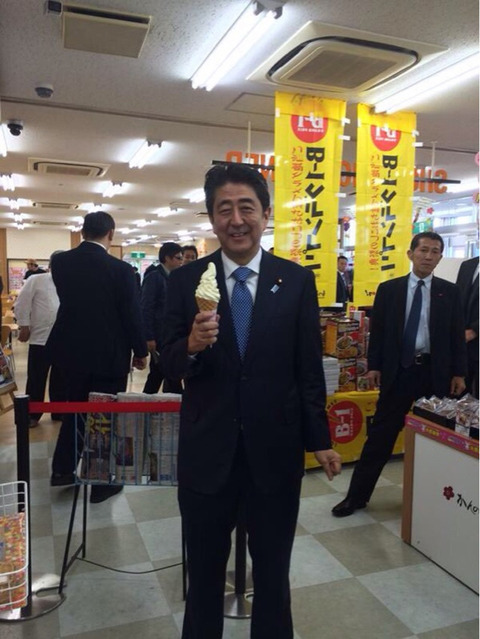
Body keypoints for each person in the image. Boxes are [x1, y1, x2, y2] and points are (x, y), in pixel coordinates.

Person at [161, 164, 341, 639]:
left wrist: (320, 439)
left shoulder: (294, 280)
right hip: (207, 453)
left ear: (266, 213)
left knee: (273, 575)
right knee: (203, 576)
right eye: (225, 209)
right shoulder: (186, 281)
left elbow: (307, 368)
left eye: (247, 208)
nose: (236, 220)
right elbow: (167, 362)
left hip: (275, 453)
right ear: (211, 218)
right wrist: (191, 346)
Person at [332, 231, 467, 518]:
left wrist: (459, 372)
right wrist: (374, 366)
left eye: (435, 252)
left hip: (435, 375)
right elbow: (378, 333)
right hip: (399, 373)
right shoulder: (389, 290)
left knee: (434, 439)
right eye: (423, 250)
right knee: (380, 437)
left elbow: (456, 335)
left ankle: (433, 499)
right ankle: (356, 497)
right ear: (410, 254)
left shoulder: (450, 292)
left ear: (440, 258)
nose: (428, 256)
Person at [46, 211, 148, 503]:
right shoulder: (121, 270)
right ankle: (101, 484)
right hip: (109, 353)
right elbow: (130, 314)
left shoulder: (61, 263)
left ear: (83, 232)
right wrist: (140, 351)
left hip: (70, 352)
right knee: (104, 418)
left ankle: (63, 469)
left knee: (75, 409)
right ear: (111, 233)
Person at [15, 250, 66, 428]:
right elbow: (22, 303)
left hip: (63, 339)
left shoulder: (71, 281)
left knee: (60, 378)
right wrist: (24, 325)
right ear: (51, 265)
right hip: (40, 337)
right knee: (36, 377)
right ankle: (32, 414)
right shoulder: (37, 280)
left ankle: (58, 411)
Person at [141, 242, 184, 394]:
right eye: (178, 258)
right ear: (167, 258)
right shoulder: (154, 278)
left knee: (162, 373)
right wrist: (149, 337)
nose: (181, 261)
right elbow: (146, 308)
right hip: (159, 336)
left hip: (171, 335)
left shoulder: (174, 278)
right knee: (162, 373)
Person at [456, 256, 479, 398]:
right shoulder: (467, 265)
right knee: (459, 398)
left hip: (474, 336)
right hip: (463, 346)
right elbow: (457, 299)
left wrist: (475, 331)